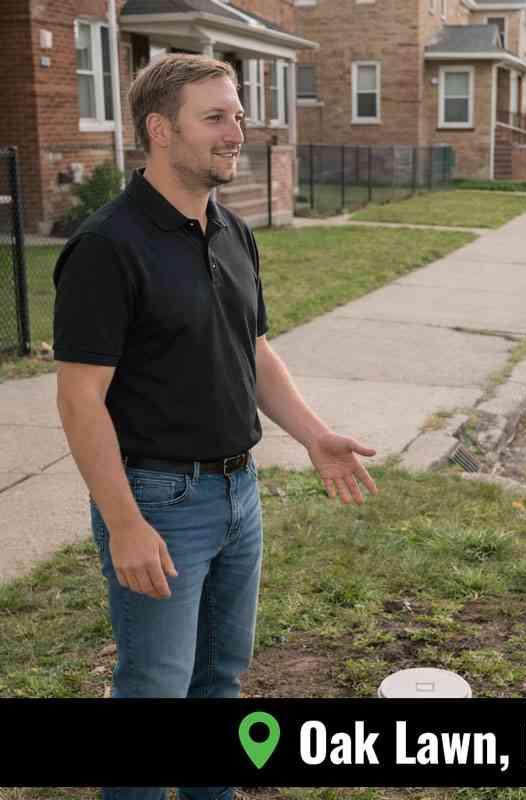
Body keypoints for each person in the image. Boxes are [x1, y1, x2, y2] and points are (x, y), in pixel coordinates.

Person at [53, 54, 378, 800]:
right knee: (154, 693)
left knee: (220, 682)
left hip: (240, 495)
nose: (238, 131)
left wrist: (312, 434)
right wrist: (124, 521)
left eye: (237, 114)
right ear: (160, 130)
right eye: (217, 117)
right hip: (160, 502)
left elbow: (252, 349)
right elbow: (79, 401)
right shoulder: (109, 246)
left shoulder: (231, 230)